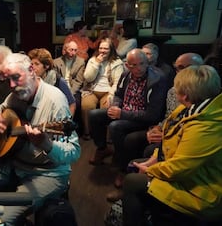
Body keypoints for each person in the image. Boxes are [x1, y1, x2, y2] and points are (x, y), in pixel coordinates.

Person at [0, 53, 81, 225]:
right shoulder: (15, 95)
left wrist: (47, 145)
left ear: (32, 70)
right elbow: (0, 107)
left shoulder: (56, 100)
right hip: (14, 162)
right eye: (7, 80)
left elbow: (74, 152)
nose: (11, 85)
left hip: (46, 173)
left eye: (16, 77)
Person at [121, 65, 222, 225]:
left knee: (133, 181)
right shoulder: (189, 109)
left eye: (177, 90)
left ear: (186, 96)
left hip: (202, 193)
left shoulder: (207, 125)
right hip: (189, 176)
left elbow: (179, 168)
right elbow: (168, 140)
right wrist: (154, 159)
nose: (175, 92)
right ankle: (140, 208)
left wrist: (150, 170)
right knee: (134, 165)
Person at [106, 52, 204, 202]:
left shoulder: (160, 80)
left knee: (132, 139)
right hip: (164, 130)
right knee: (100, 117)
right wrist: (158, 128)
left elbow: (154, 114)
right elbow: (169, 117)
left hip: (177, 140)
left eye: (189, 67)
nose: (184, 72)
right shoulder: (174, 91)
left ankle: (138, 185)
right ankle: (127, 176)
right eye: (179, 68)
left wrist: (163, 132)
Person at [88, 49, 168, 186]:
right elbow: (118, 94)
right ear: (127, 65)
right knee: (94, 115)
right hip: (124, 111)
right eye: (133, 65)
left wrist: (122, 114)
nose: (138, 68)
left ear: (146, 63)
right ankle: (102, 149)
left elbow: (152, 115)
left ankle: (122, 167)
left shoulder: (157, 79)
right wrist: (116, 106)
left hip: (141, 118)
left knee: (115, 127)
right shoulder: (126, 75)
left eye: (141, 63)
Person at [81, 38, 124, 138]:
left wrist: (111, 94)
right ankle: (87, 132)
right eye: (101, 48)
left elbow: (117, 82)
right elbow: (88, 78)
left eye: (106, 48)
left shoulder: (117, 62)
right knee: (86, 106)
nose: (103, 51)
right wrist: (96, 63)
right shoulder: (92, 60)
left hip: (108, 91)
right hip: (92, 89)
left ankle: (106, 136)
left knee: (106, 107)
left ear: (111, 49)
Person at [28, 48, 76, 115]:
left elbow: (72, 104)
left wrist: (67, 123)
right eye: (32, 64)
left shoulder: (58, 81)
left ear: (46, 66)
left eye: (37, 64)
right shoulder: (30, 82)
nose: (33, 67)